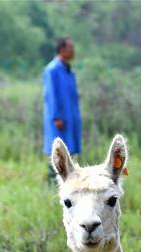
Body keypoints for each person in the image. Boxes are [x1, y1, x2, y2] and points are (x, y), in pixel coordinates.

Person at [43, 37, 81, 177]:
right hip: (59, 120)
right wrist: (56, 116)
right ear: (62, 50)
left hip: (70, 117)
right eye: (71, 48)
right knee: (57, 150)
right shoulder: (52, 70)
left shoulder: (68, 71)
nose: (73, 51)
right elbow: (51, 96)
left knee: (70, 151)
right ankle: (51, 181)